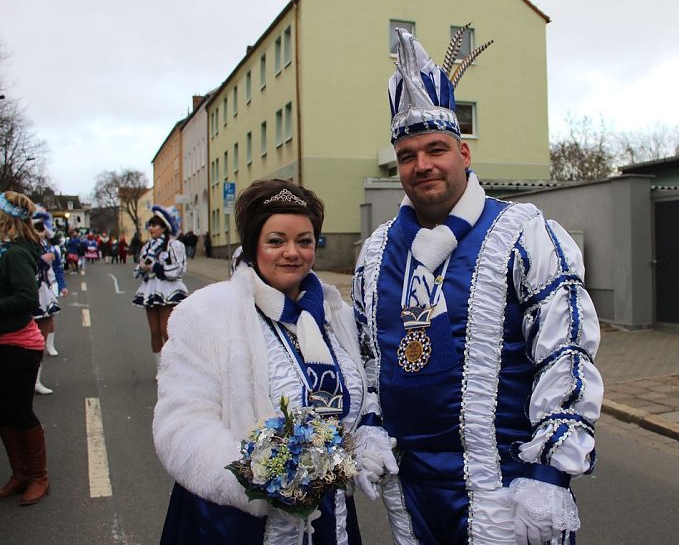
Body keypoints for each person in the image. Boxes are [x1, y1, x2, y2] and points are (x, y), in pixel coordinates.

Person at [352, 29, 603, 544]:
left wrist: (551, 474)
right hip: (413, 496)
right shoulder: (377, 253)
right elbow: (371, 360)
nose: (422, 165)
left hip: (506, 494)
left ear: (464, 153)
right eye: (407, 155)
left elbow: (566, 354)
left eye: (436, 149)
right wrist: (371, 423)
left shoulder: (524, 234)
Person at [153, 180, 367, 544]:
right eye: (276, 241)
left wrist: (367, 440)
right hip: (237, 524)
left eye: (304, 240)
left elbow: (361, 395)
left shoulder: (337, 315)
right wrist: (259, 478)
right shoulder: (208, 313)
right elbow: (181, 422)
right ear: (253, 247)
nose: (292, 252)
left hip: (330, 519)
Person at [0, 191, 51, 506]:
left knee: (19, 410)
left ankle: (39, 476)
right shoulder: (7, 251)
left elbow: (27, 299)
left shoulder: (16, 254)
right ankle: (19, 473)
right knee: (3, 411)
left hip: (19, 343)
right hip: (5, 340)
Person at [132, 206, 188, 362]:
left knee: (166, 330)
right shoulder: (147, 247)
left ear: (164, 227)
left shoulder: (174, 245)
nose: (151, 228)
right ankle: (160, 367)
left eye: (154, 225)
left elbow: (179, 269)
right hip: (151, 289)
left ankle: (173, 366)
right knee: (154, 331)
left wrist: (156, 267)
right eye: (150, 225)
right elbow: (142, 266)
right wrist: (143, 268)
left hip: (168, 288)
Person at [31, 209, 68, 393]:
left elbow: (58, 268)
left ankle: (36, 380)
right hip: (28, 293)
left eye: (41, 228)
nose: (39, 231)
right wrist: (41, 262)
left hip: (45, 291)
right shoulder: (24, 245)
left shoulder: (50, 247)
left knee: (42, 334)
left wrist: (62, 285)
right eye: (36, 227)